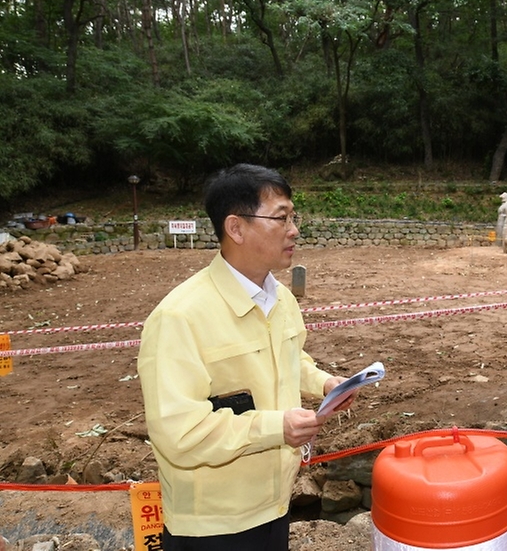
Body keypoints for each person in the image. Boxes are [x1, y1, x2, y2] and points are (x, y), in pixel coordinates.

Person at [138, 163, 353, 551]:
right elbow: (178, 434)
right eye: (281, 218)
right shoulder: (179, 317)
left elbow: (290, 357)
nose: (294, 230)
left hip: (273, 505)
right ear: (235, 228)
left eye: (294, 216)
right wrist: (276, 428)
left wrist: (324, 382)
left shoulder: (282, 299)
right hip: (211, 527)